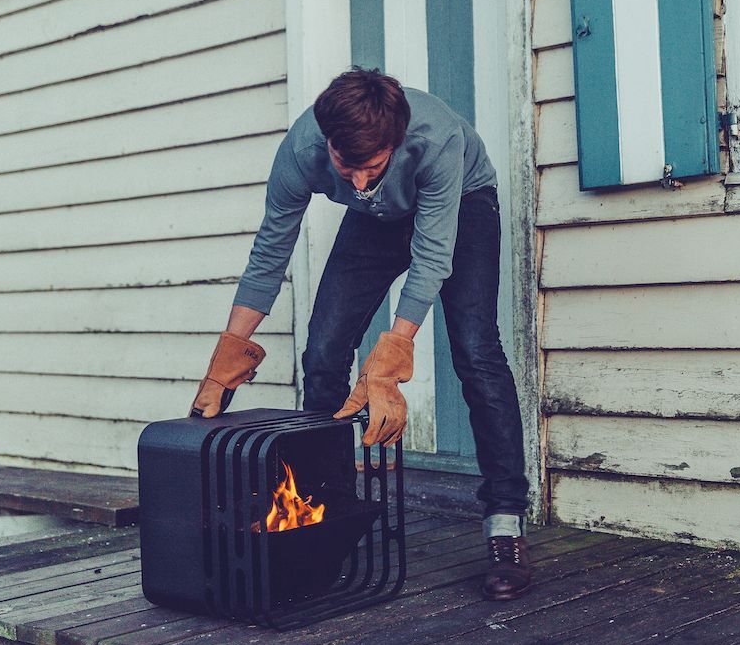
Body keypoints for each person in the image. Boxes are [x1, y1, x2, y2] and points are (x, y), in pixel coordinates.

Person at [188, 67, 533, 601]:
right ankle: (318, 511)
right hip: (375, 224)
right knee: (324, 351)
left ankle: (505, 521)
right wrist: (227, 354)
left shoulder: (435, 139)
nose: (358, 184)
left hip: (462, 204)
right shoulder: (302, 150)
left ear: (394, 145)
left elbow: (432, 258)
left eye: (371, 168)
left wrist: (394, 352)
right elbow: (269, 253)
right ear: (327, 142)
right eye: (345, 168)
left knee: (475, 349)